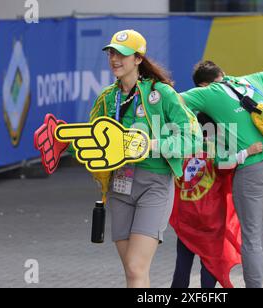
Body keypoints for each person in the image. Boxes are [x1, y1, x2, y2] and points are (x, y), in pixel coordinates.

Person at [89, 29, 201, 288]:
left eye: (123, 55)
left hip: (155, 184)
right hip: (119, 185)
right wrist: (64, 142)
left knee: (136, 266)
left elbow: (193, 138)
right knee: (132, 270)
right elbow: (93, 139)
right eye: (112, 53)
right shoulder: (107, 98)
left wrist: (151, 145)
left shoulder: (162, 93)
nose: (115, 59)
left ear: (139, 59)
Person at [181, 60, 263, 288]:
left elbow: (174, 101)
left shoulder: (208, 92)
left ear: (202, 84)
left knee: (251, 237)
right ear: (223, 73)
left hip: (251, 168)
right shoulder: (254, 79)